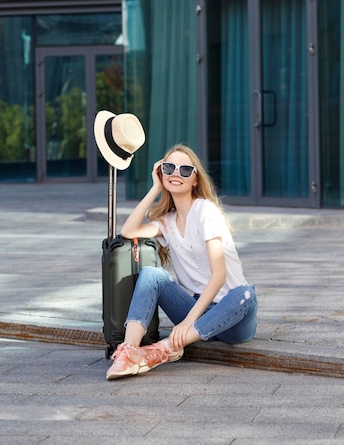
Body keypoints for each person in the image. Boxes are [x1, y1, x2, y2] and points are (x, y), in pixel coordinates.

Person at [106, 144, 258, 380]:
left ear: (195, 179)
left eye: (185, 170)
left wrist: (187, 322)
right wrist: (154, 188)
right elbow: (128, 230)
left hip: (233, 315)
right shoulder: (167, 222)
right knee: (151, 274)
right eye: (169, 168)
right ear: (162, 173)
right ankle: (129, 351)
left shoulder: (206, 212)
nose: (176, 173)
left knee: (245, 294)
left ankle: (161, 350)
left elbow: (219, 276)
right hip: (199, 309)